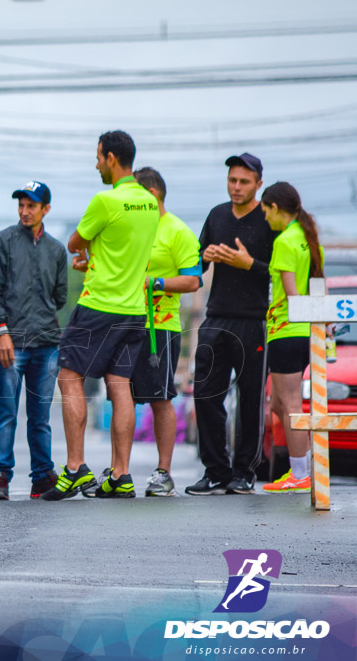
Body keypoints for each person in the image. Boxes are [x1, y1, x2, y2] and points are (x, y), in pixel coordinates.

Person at [42, 131, 159, 501]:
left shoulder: (105, 201)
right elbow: (121, 249)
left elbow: (74, 243)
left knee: (69, 377)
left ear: (111, 158)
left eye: (97, 158)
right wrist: (98, 256)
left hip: (99, 305)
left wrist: (87, 256)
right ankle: (121, 475)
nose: (95, 165)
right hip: (135, 309)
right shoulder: (150, 203)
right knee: (120, 386)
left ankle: (75, 467)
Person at [186, 153, 276, 496]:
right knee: (206, 393)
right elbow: (196, 268)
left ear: (258, 185)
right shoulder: (217, 215)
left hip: (253, 319)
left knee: (250, 398)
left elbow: (279, 272)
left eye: (243, 182)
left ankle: (244, 472)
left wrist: (248, 262)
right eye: (232, 180)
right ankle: (215, 471)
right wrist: (202, 258)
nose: (236, 187)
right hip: (215, 317)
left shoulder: (268, 219)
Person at [0, 180, 66, 500]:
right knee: (6, 411)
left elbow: (60, 296)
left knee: (40, 416)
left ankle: (42, 476)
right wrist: (1, 331)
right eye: (21, 205)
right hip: (10, 343)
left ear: (46, 209)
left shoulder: (56, 250)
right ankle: (0, 476)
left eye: (32, 205)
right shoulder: (0, 242)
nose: (25, 211)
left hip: (46, 343)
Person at [128, 168, 201, 497]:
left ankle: (164, 473)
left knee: (160, 398)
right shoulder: (131, 227)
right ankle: (119, 472)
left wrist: (155, 282)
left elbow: (193, 280)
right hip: (124, 322)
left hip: (161, 327)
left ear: (153, 195)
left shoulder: (178, 231)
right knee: (121, 396)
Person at [259, 182, 322, 494]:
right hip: (305, 332)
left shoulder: (285, 241)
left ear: (274, 207)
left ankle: (301, 474)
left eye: (265, 212)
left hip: (286, 329)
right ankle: (301, 469)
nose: (265, 220)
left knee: (291, 403)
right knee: (278, 404)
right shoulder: (308, 239)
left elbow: (292, 295)